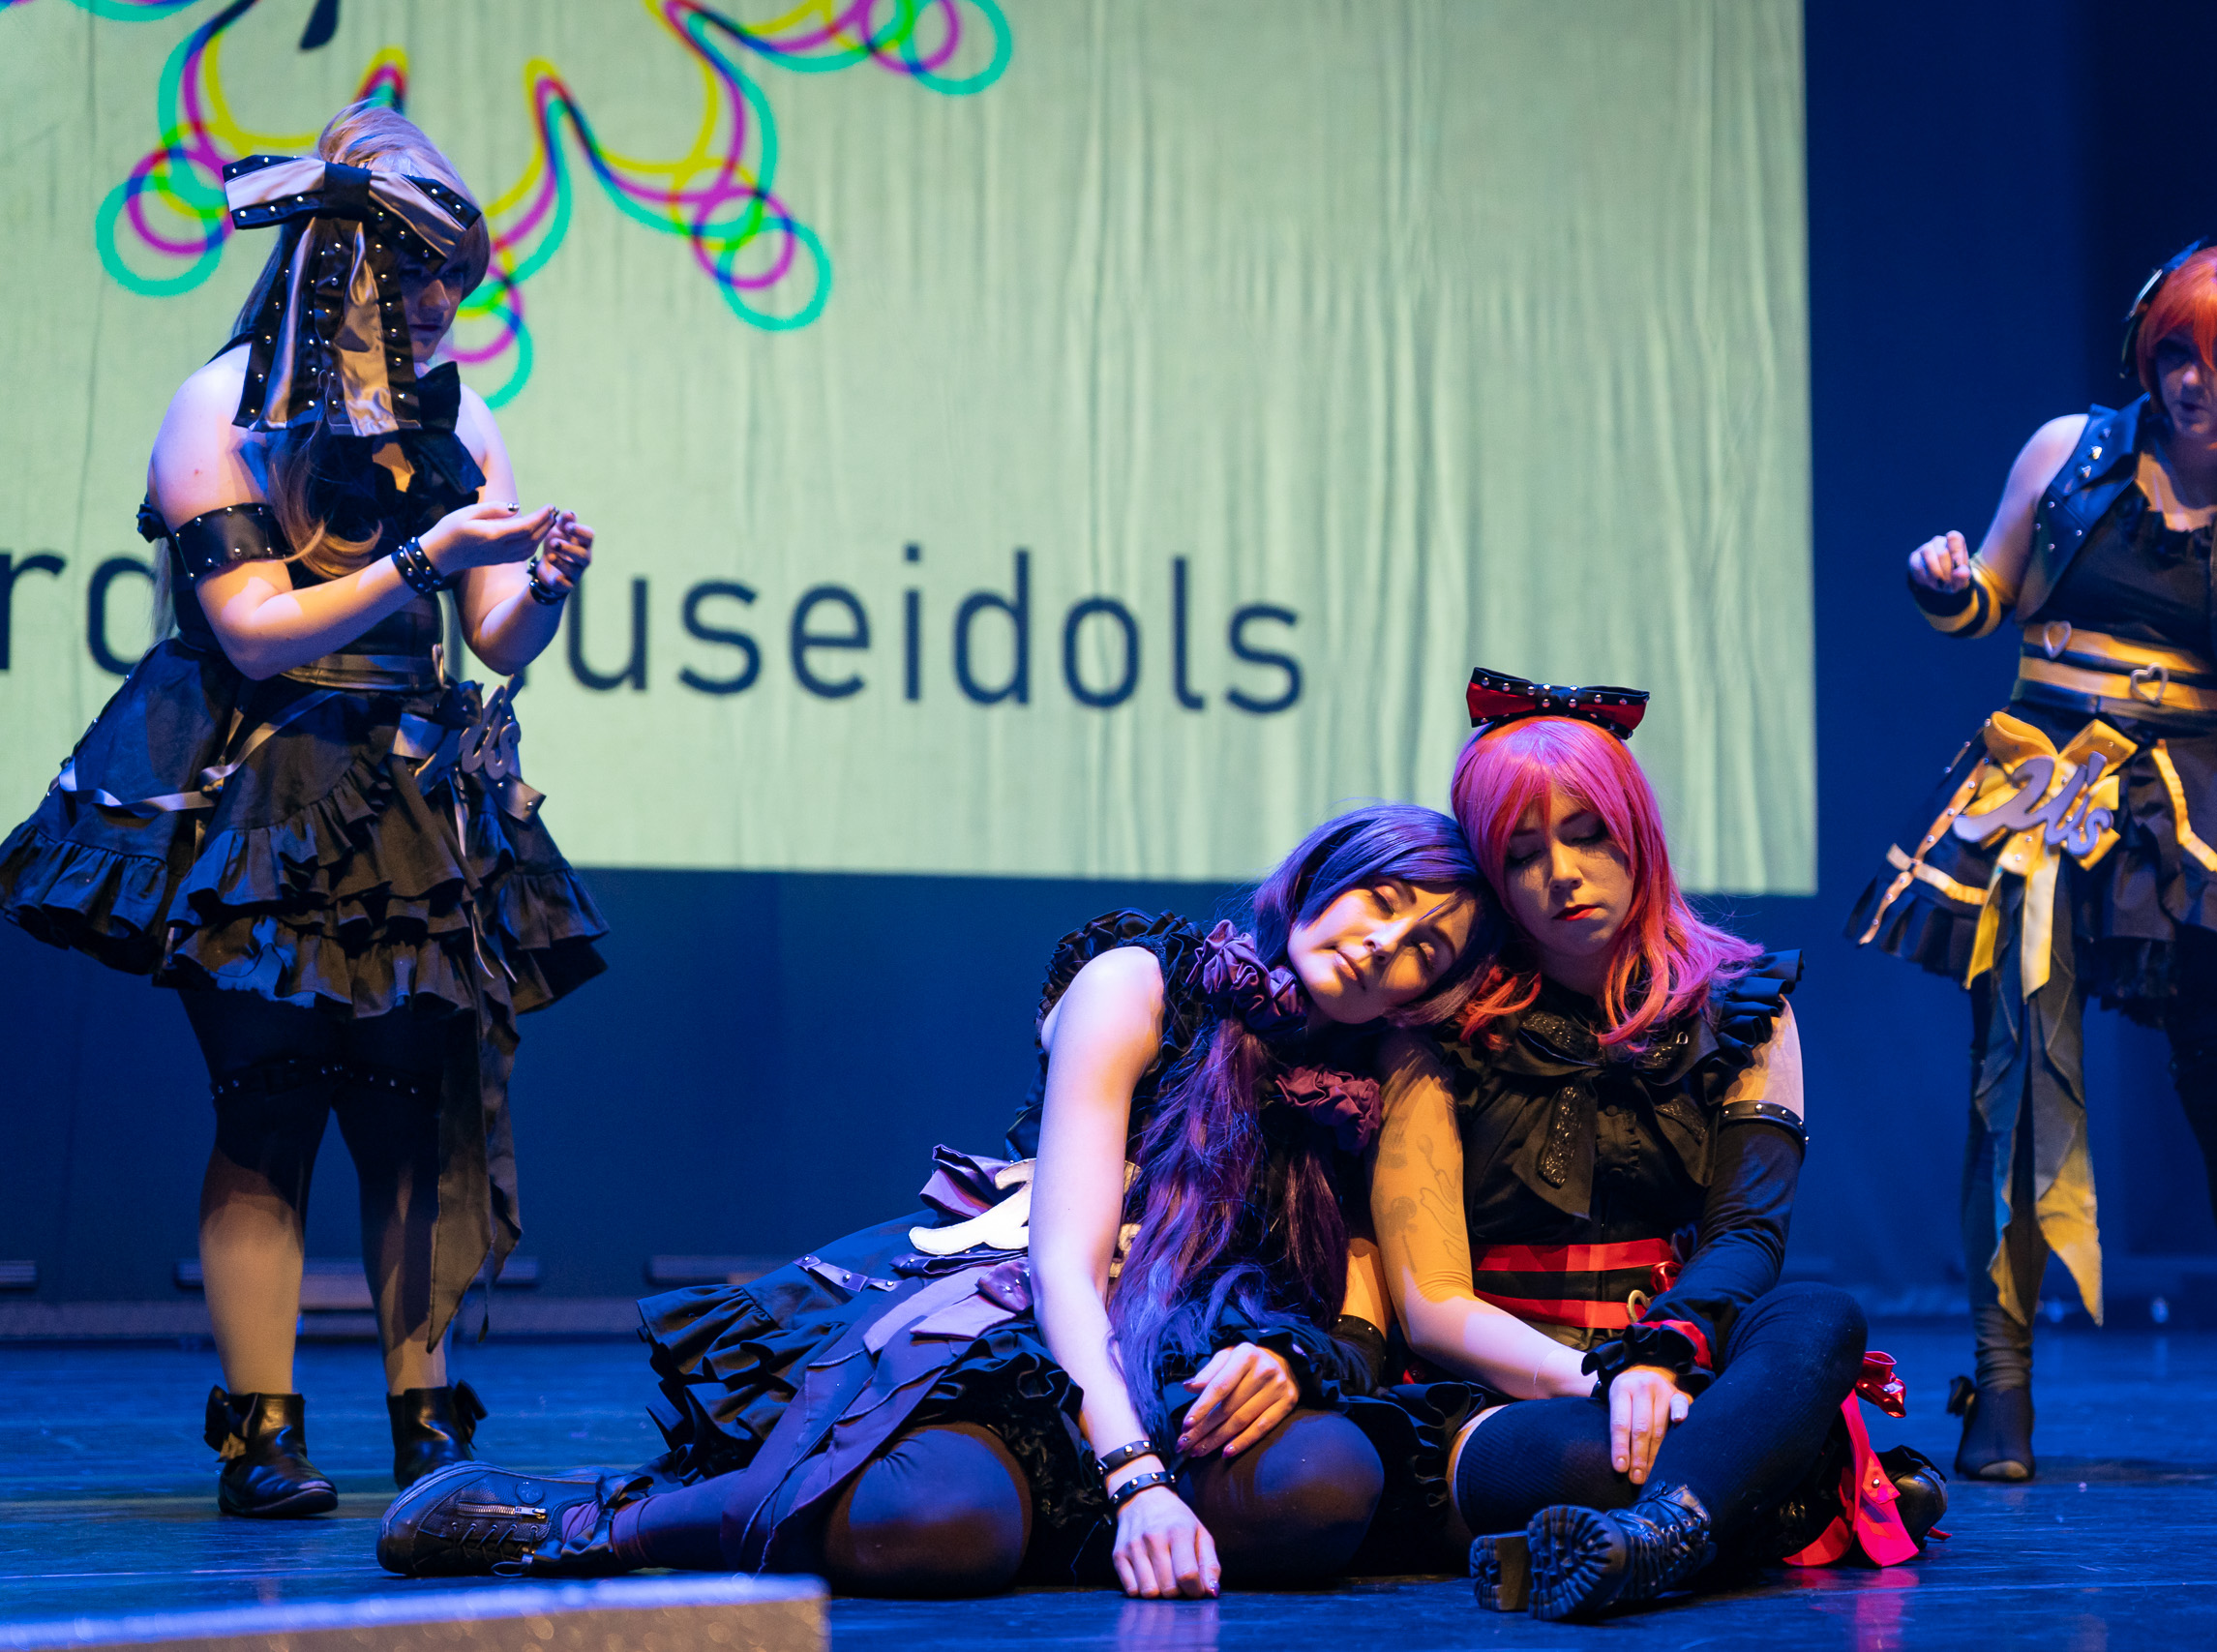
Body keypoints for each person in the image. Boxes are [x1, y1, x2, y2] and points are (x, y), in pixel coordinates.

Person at [378, 804, 1500, 1597]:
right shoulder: (1141, 982)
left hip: (1201, 1357)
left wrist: (1298, 1362)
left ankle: (1062, 1526)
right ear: (1321, 873)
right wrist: (1137, 1478)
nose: (1381, 944)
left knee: (1323, 1485)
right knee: (935, 1524)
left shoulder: (1384, 1080)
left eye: (1423, 949)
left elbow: (1370, 1299)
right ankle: (597, 1519)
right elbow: (1066, 1270)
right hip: (1032, 1327)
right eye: (1382, 899)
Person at [0, 102, 606, 1516]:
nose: (441, 305)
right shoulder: (217, 408)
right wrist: (421, 557)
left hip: (411, 795)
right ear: (344, 267)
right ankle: (261, 1433)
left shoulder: (462, 417)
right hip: (262, 794)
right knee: (267, 1107)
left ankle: (426, 1424)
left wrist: (542, 585)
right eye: (419, 278)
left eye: (451, 282)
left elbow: (493, 634)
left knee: (410, 1113)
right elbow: (255, 630)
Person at [1848, 242, 2217, 1481]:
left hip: (2197, 811)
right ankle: (2000, 1391)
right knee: (2016, 1076)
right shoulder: (2067, 452)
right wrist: (1940, 582)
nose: (2190, 381)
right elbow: (1987, 596)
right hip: (2039, 786)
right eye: (2174, 353)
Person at [1371, 674, 1941, 1623]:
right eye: (1521, 854)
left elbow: (1747, 1235)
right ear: (1488, 876)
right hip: (1507, 1391)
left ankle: (1650, 1538)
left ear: (1636, 829)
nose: (1561, 874)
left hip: (1677, 1362)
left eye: (1587, 833)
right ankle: (1761, 1498)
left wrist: (1660, 1355)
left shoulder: (1746, 1008)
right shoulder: (1433, 1030)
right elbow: (1433, 1309)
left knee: (1818, 1316)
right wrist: (1608, 1381)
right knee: (1618, 1455)